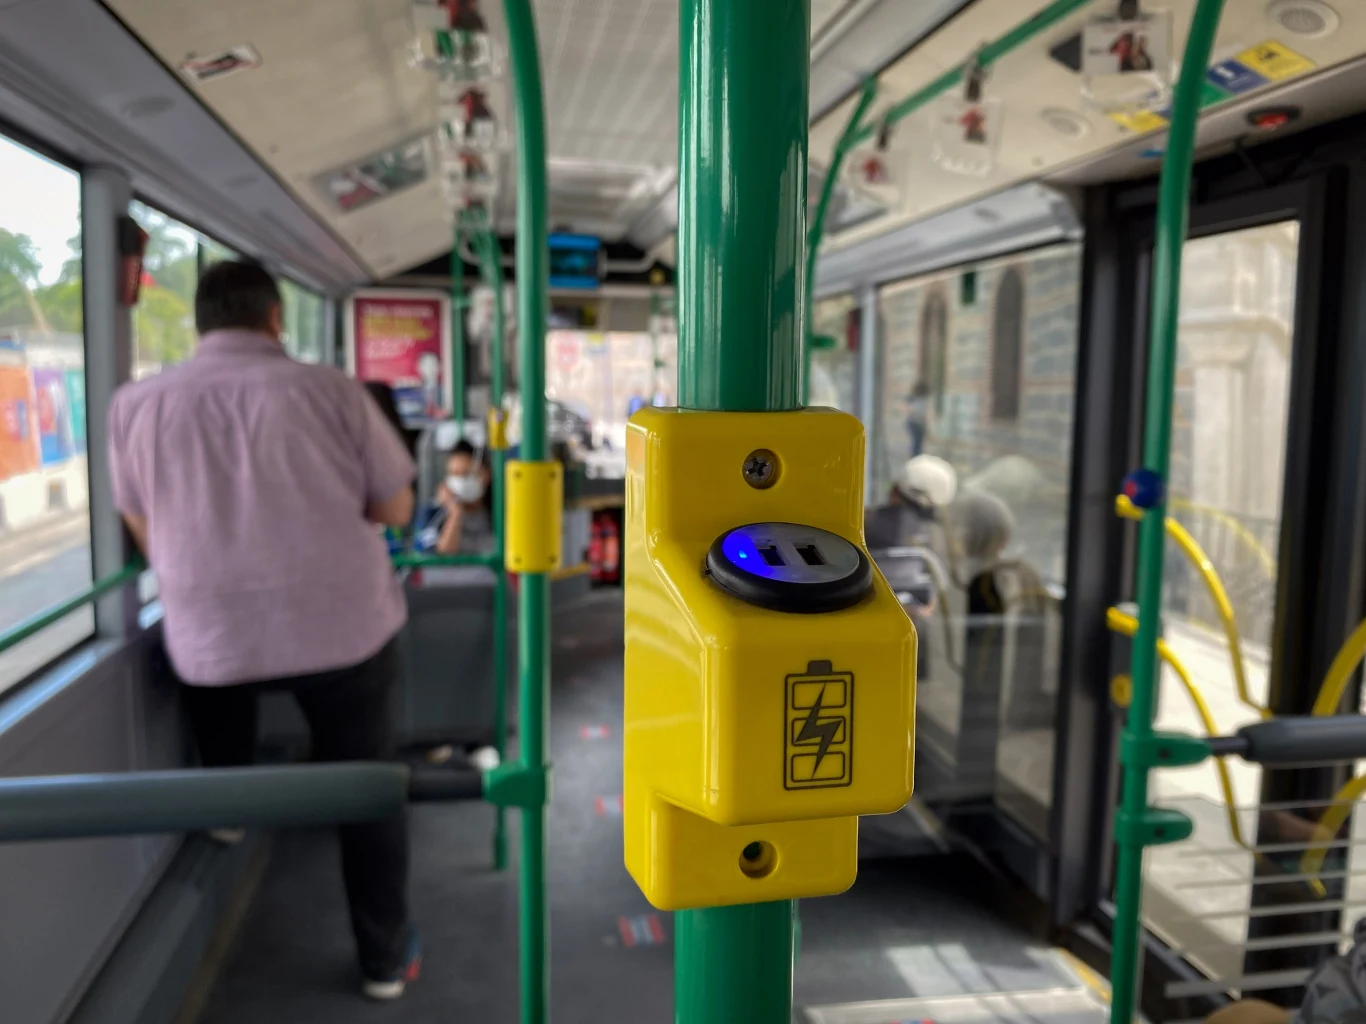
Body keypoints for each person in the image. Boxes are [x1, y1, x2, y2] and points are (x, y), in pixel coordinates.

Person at [107, 261, 422, 1001]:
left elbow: (134, 512)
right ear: (276, 319)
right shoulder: (330, 390)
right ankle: (383, 961)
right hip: (342, 627)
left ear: (201, 323)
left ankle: (227, 814)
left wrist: (193, 573)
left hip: (208, 634)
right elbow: (398, 510)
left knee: (221, 713)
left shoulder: (135, 404)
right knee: (369, 784)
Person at [414, 439, 494, 556]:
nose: (460, 481)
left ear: (486, 474)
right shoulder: (432, 515)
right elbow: (445, 553)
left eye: (466, 474)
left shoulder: (500, 513)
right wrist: (455, 513)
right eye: (454, 474)